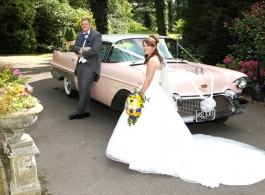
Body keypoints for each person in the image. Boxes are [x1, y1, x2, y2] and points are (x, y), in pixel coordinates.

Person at [106, 35, 265, 188]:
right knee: (157, 121)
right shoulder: (159, 59)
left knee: (146, 120)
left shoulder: (152, 61)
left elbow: (147, 80)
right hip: (156, 93)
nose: (145, 48)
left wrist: (139, 96)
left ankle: (145, 151)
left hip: (149, 92)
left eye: (148, 45)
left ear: (154, 47)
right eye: (144, 45)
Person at [69, 17, 102, 120]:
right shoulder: (79, 35)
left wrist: (82, 54)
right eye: (82, 24)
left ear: (90, 24)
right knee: (82, 89)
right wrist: (82, 49)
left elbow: (95, 50)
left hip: (90, 66)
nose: (84, 26)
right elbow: (74, 48)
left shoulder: (96, 35)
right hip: (80, 65)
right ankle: (86, 111)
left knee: (84, 89)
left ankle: (79, 111)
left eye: (86, 24)